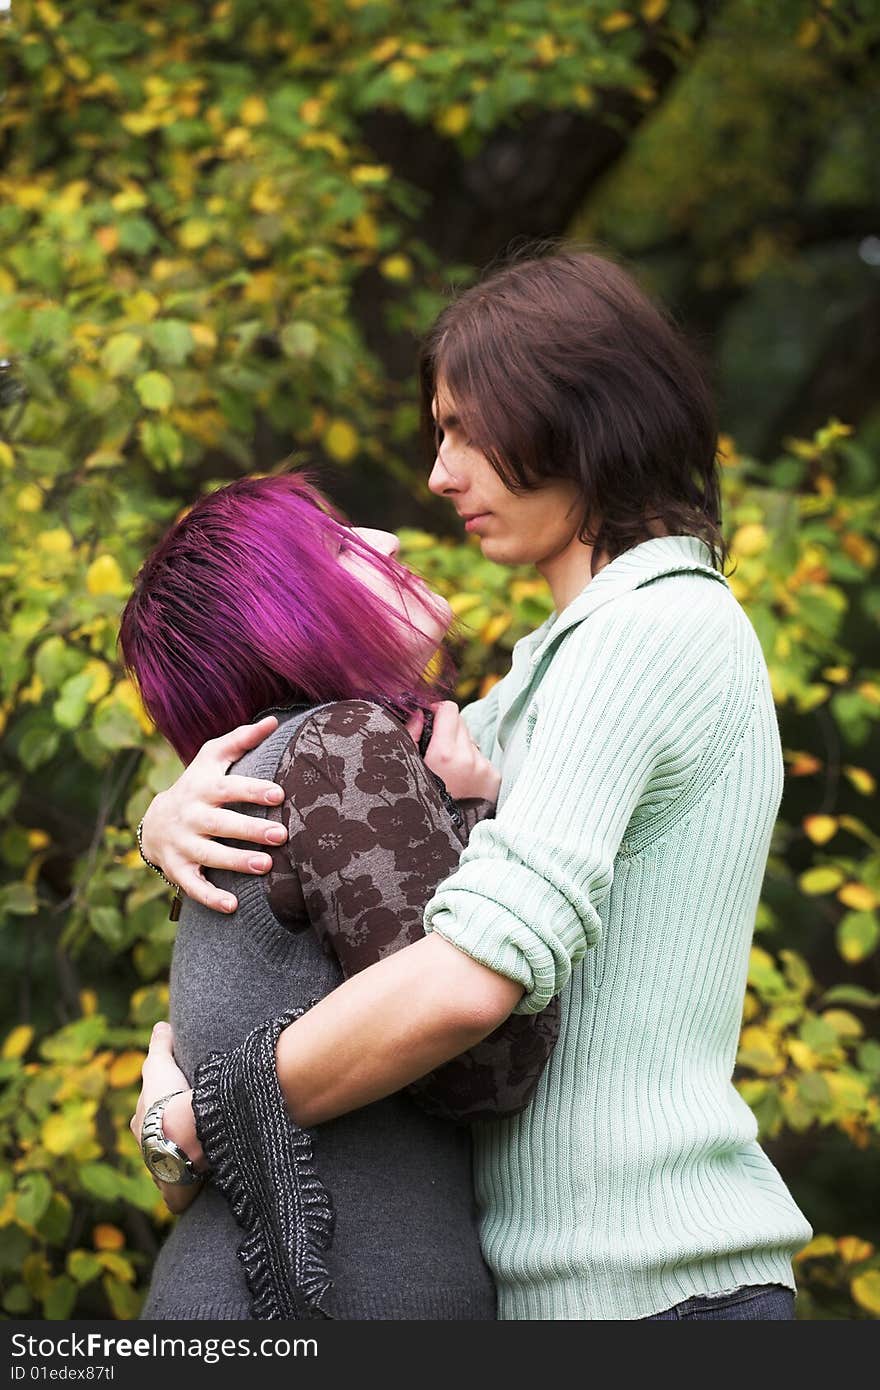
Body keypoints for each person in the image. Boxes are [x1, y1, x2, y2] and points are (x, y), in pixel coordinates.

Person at [135, 247, 813, 1321]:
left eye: (463, 428)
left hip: (653, 1288)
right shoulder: (545, 673)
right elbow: (376, 810)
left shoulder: (652, 628)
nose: (439, 474)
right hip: (558, 1297)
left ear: (575, 414)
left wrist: (193, 1123)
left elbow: (464, 982)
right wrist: (163, 816)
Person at [119, 472, 559, 1320]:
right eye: (340, 547)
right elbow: (486, 1074)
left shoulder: (278, 768)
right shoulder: (338, 745)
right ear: (283, 614)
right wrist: (476, 818)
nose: (389, 542)